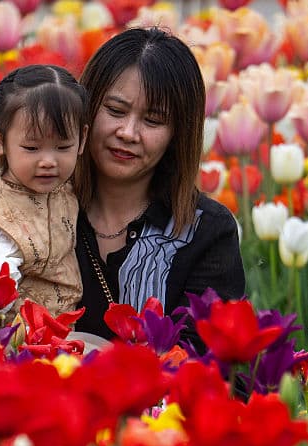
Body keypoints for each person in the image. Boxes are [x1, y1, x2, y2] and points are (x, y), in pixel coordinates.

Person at [71, 27, 246, 342]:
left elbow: (212, 362)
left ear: (178, 133)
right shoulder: (42, 208)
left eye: (153, 120)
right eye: (115, 111)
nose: (128, 132)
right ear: (87, 107)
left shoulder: (206, 232)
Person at [0, 64, 88, 317]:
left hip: (62, 325)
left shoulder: (60, 182)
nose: (48, 161)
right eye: (32, 148)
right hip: (18, 339)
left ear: (82, 140)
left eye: (63, 147)